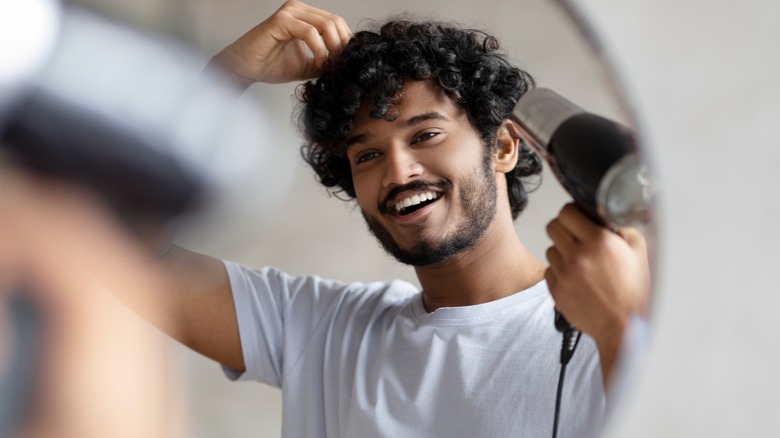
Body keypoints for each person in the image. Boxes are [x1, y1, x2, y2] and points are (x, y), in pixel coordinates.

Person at [128, 1, 651, 436]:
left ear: (506, 146)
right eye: (367, 155)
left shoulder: (609, 323)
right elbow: (110, 241)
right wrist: (220, 80)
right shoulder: (321, 330)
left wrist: (617, 328)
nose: (398, 171)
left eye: (425, 135)